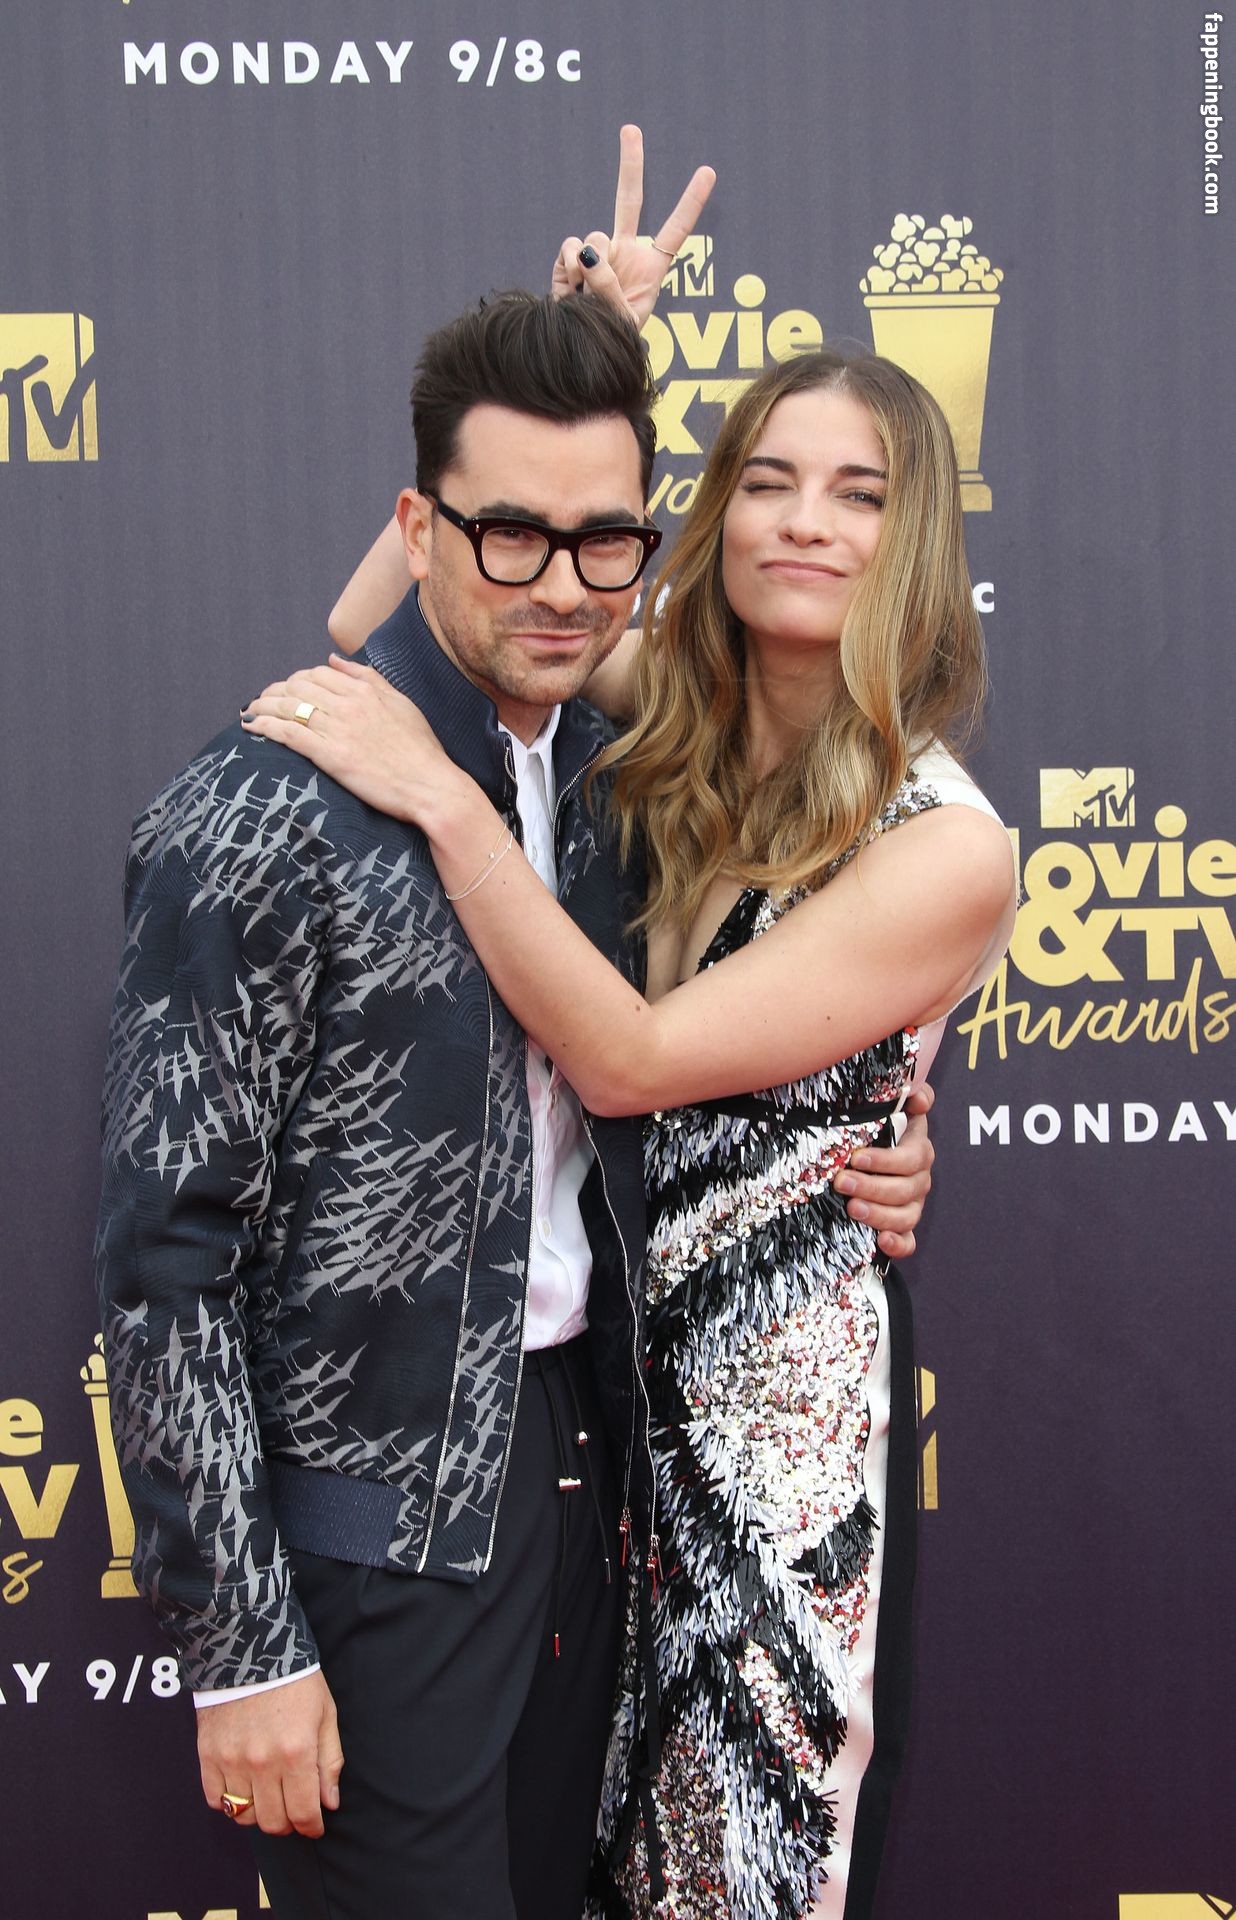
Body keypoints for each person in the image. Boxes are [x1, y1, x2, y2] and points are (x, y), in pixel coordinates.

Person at [96, 131, 935, 1920]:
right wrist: (242, 1646)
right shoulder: (267, 812)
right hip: (375, 1541)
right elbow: (165, 1262)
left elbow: (691, 1056)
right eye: (508, 534)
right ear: (421, 530)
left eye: (604, 539)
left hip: (592, 1497)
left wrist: (863, 1145)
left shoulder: (624, 782)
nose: (561, 583)